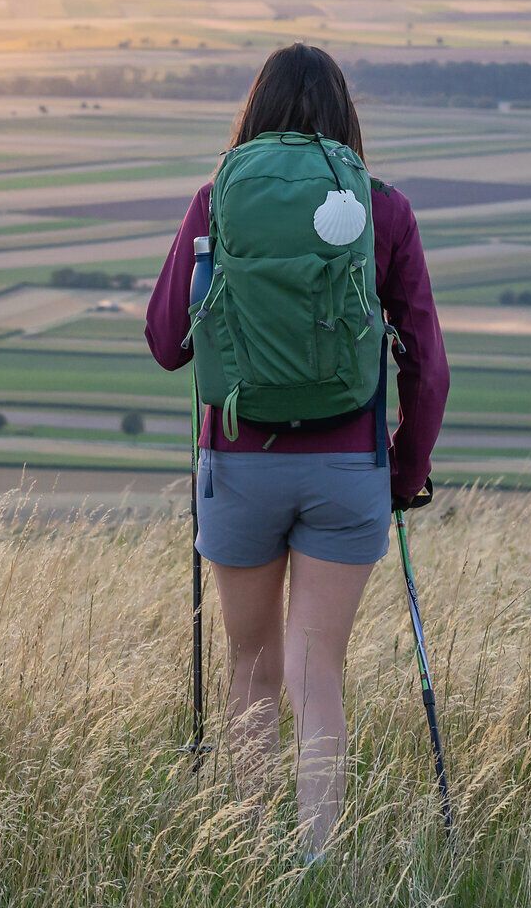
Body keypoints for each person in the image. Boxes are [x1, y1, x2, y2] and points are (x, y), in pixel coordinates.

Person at [145, 43, 448, 857]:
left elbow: (164, 342)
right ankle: (316, 866)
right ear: (346, 120)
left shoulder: (218, 202)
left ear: (254, 113)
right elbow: (428, 366)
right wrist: (405, 472)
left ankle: (250, 859)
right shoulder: (383, 210)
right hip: (349, 468)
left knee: (250, 668)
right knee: (318, 674)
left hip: (239, 464)